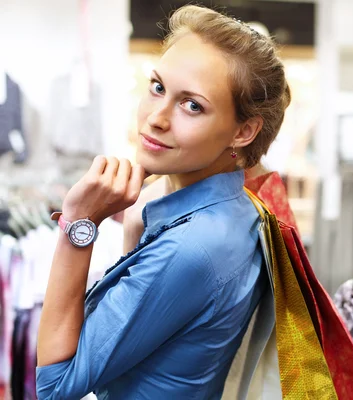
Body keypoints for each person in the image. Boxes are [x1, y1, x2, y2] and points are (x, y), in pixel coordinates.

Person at [36, 5, 291, 399]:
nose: (156, 117)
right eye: (157, 87)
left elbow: (55, 386)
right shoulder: (233, 207)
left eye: (192, 105)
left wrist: (79, 225)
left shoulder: (194, 247)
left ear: (243, 131)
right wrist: (138, 223)